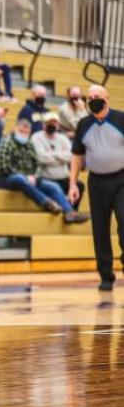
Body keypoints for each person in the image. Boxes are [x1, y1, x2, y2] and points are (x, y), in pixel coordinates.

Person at [69, 85, 124, 291]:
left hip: (122, 180)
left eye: (97, 96)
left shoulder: (121, 119)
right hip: (97, 182)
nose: (93, 99)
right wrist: (73, 183)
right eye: (89, 97)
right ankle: (106, 276)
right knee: (99, 230)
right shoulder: (83, 124)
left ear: (107, 97)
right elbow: (77, 156)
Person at [0, 119, 87, 222]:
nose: (23, 134)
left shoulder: (29, 144)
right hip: (6, 178)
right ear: (14, 129)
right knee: (19, 178)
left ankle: (69, 212)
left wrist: (35, 176)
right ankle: (46, 202)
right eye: (21, 131)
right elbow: (5, 167)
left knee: (52, 186)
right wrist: (26, 176)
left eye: (26, 132)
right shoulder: (6, 143)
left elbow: (37, 164)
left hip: (28, 178)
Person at [31, 112, 86, 212]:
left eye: (54, 123)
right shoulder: (36, 137)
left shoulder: (63, 138)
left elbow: (71, 156)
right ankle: (68, 212)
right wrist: (61, 156)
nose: (52, 125)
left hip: (63, 178)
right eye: (49, 122)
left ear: (58, 125)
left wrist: (52, 155)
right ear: (43, 124)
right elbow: (41, 158)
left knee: (79, 185)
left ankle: (72, 211)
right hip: (46, 178)